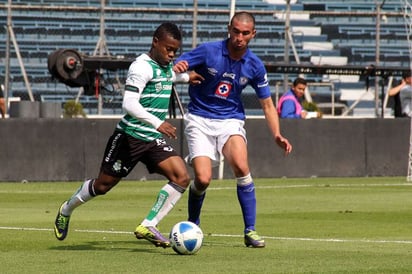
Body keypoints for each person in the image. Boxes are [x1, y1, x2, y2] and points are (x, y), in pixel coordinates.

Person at [54, 22, 203, 248]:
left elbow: (167, 79)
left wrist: (186, 78)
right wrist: (158, 123)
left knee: (181, 178)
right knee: (102, 186)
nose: (172, 54)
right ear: (155, 42)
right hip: (129, 138)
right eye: (168, 49)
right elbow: (129, 104)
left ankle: (148, 225)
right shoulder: (140, 67)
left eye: (175, 50)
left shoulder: (164, 66)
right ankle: (66, 208)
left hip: (151, 139)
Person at [173, 11, 292, 248]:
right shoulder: (209, 51)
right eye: (236, 31)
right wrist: (182, 67)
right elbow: (175, 65)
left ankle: (250, 230)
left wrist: (276, 133)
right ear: (229, 29)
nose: (239, 37)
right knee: (204, 179)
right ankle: (193, 222)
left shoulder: (255, 65)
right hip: (199, 118)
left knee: (240, 165)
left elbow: (267, 104)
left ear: (253, 34)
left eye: (245, 33)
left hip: (230, 120)